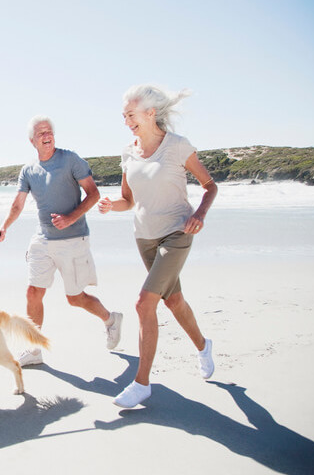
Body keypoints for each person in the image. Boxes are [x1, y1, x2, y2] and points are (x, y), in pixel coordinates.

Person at [98, 84, 218, 408]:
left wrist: (200, 215)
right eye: (124, 116)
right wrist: (112, 205)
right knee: (174, 301)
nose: (127, 121)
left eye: (131, 114)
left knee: (143, 303)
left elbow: (210, 186)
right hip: (144, 237)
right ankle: (203, 344)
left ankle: (142, 383)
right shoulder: (128, 152)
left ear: (151, 113)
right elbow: (128, 200)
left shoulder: (178, 147)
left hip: (177, 233)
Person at [0, 115, 123, 366]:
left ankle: (111, 319)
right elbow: (18, 203)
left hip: (73, 239)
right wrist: (4, 227)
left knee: (75, 298)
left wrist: (70, 217)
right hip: (42, 239)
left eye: (49, 131)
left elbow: (94, 193)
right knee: (33, 292)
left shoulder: (70, 160)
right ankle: (34, 350)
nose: (47, 135)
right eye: (41, 133)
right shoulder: (28, 170)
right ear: (32, 140)